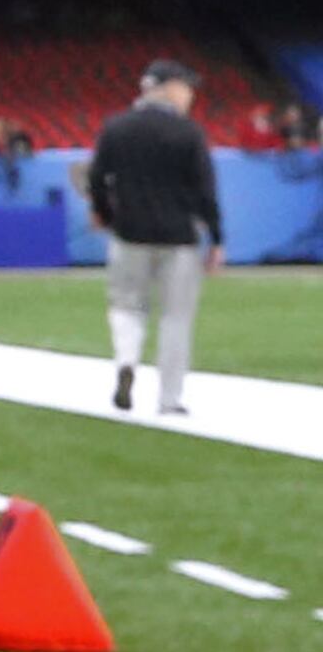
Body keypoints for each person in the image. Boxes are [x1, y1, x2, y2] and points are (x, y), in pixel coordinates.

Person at [87, 64, 224, 416]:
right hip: (179, 237)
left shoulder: (116, 128)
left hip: (129, 232)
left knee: (126, 306)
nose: (190, 95)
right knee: (176, 318)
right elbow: (205, 190)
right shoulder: (188, 133)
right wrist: (217, 237)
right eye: (185, 88)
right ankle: (169, 398)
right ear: (168, 88)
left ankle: (126, 362)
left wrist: (105, 213)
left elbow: (97, 177)